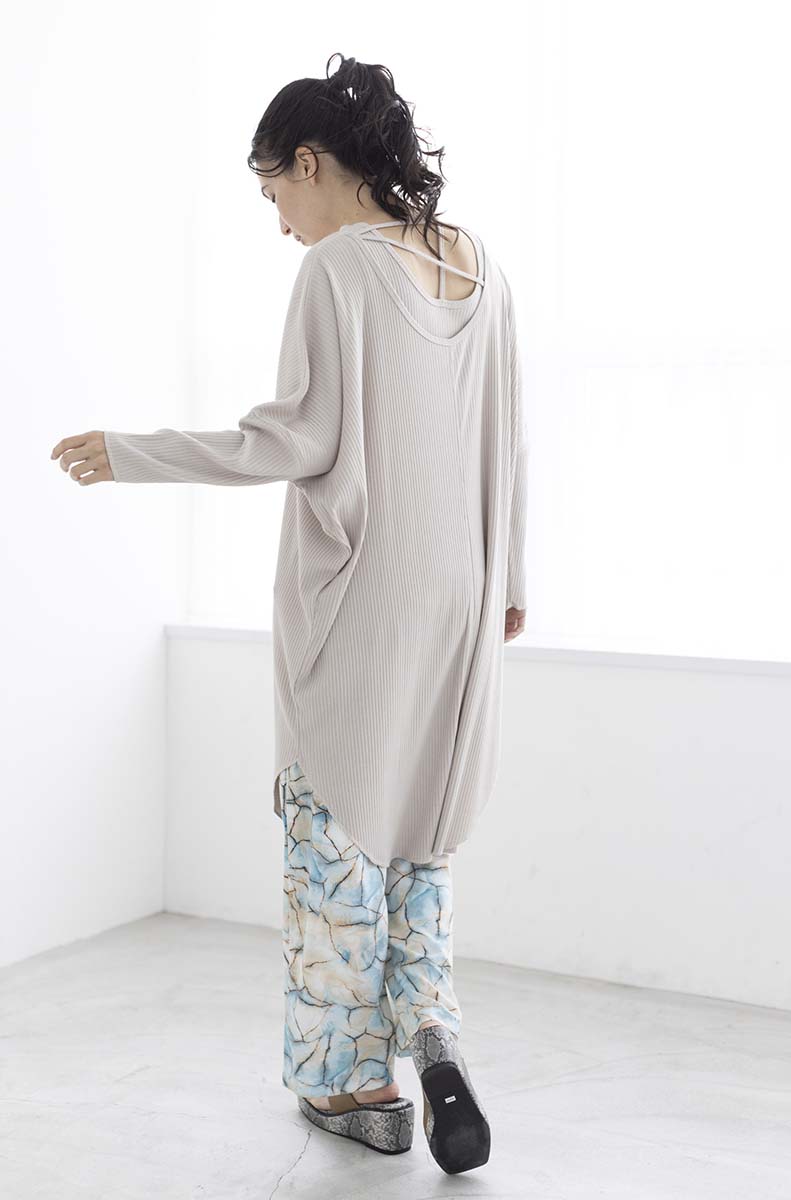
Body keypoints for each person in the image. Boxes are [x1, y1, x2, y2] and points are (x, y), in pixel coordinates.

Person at [50, 52, 528, 1175]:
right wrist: (507, 583)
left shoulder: (337, 271)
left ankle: (357, 1091)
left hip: (362, 598)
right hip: (462, 596)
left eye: (275, 192)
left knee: (334, 842)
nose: (279, 223)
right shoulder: (480, 265)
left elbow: (293, 439)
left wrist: (132, 453)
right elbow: (508, 437)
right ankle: (432, 1033)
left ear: (312, 163)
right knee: (416, 840)